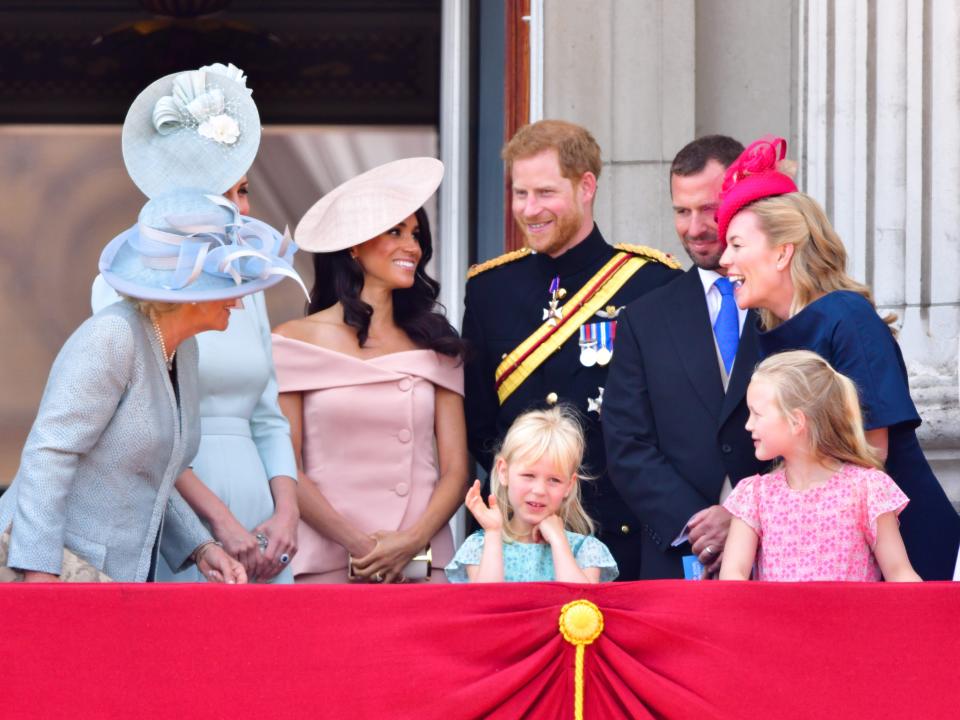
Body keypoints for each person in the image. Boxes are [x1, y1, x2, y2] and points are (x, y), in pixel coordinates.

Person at [0, 185, 302, 582]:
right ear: (189, 293)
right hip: (50, 569)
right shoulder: (112, 336)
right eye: (228, 288)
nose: (240, 302)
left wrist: (201, 547)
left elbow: (154, 473)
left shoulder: (185, 350)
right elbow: (50, 453)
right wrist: (40, 574)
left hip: (108, 579)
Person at [91, 65, 301, 584]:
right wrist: (216, 523)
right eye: (232, 194)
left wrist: (288, 511)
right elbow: (140, 428)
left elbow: (269, 416)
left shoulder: (245, 286)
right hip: (178, 516)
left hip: (260, 511)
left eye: (245, 190)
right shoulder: (122, 283)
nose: (245, 208)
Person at [717, 135, 960, 580]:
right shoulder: (765, 328)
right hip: (811, 557)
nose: (724, 260)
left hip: (897, 549)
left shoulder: (846, 317)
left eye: (736, 244)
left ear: (782, 252)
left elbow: (872, 451)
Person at [462, 119, 682, 580]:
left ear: (586, 187)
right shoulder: (490, 289)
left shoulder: (651, 283)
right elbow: (481, 422)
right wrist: (528, 498)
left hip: (619, 530)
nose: (529, 209)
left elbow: (667, 421)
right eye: (520, 194)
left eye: (545, 193)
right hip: (518, 535)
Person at [274, 157, 468, 583]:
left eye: (416, 234)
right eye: (395, 232)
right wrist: (361, 546)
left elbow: (456, 470)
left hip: (418, 562)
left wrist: (410, 541)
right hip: (327, 559)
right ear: (353, 245)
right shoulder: (292, 341)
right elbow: (285, 463)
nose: (412, 247)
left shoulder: (436, 343)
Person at [603, 136, 769, 579]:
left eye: (709, 209)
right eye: (681, 210)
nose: (695, 228)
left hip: (784, 548)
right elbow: (626, 443)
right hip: (681, 556)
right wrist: (700, 522)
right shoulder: (644, 317)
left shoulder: (788, 305)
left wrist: (745, 517)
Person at [719, 351, 921, 582]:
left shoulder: (867, 490)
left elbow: (900, 574)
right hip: (775, 619)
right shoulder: (754, 496)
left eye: (757, 414)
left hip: (852, 619)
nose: (748, 425)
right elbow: (733, 578)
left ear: (797, 421)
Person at [445, 406, 618, 583]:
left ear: (569, 485)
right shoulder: (480, 546)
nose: (539, 490)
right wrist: (493, 532)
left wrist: (558, 540)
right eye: (528, 476)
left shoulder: (585, 550)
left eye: (554, 480)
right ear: (503, 472)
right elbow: (489, 603)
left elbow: (581, 603)